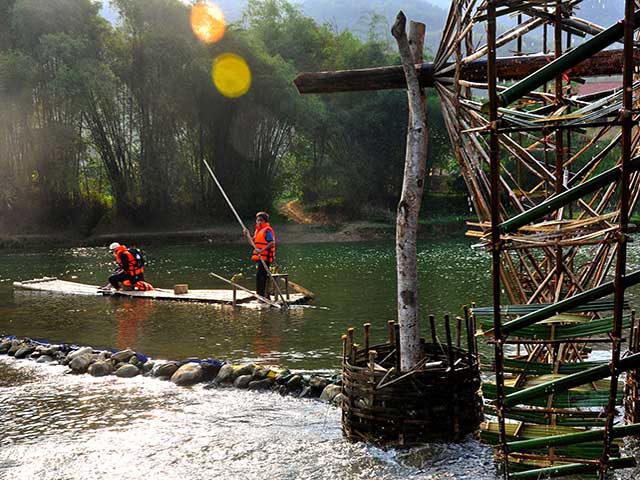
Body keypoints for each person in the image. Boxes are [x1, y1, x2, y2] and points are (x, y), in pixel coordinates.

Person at [243, 212, 276, 299]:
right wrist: (247, 235)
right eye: (258, 220)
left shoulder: (267, 230)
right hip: (260, 258)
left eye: (261, 220)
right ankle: (260, 294)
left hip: (265, 257)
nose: (259, 222)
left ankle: (262, 295)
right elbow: (252, 243)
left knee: (261, 275)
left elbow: (272, 242)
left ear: (265, 221)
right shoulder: (258, 230)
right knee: (259, 275)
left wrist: (261, 250)